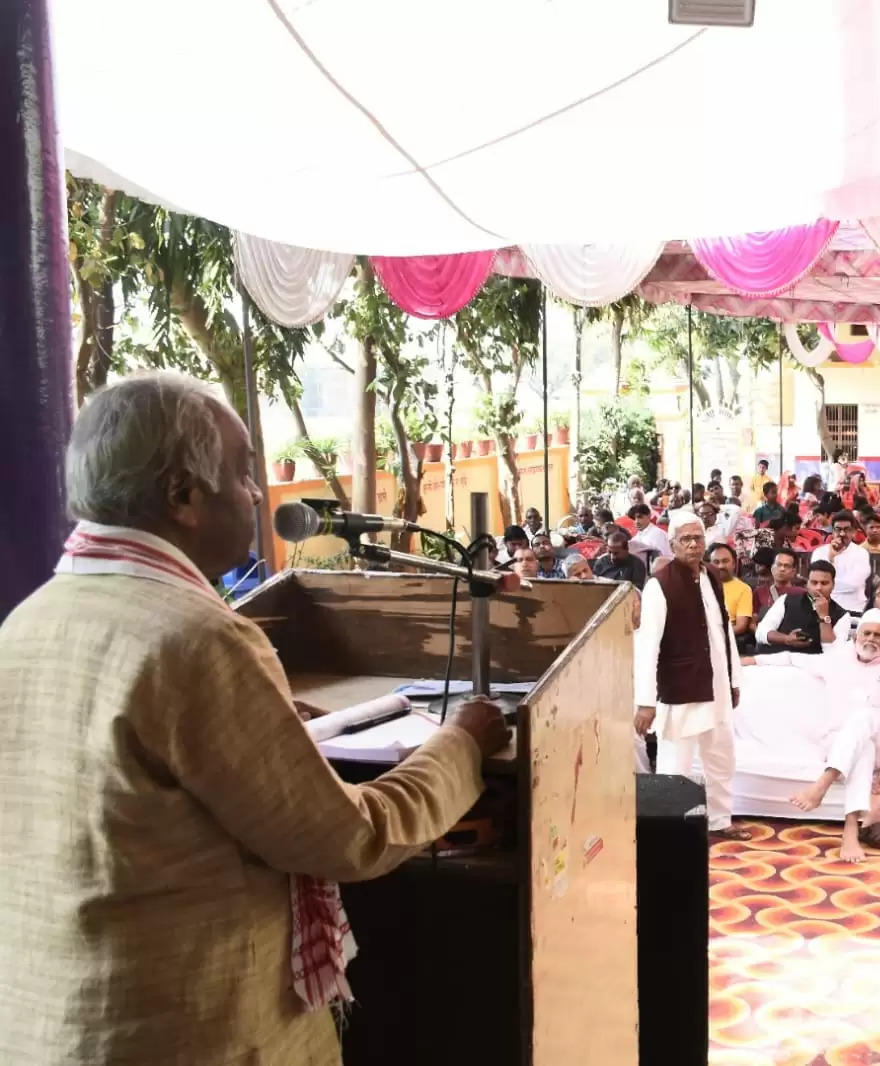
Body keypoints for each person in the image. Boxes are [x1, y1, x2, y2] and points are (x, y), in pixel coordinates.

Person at [0, 373, 511, 1063]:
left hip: (57, 1021)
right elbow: (347, 840)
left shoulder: (30, 620)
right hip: (188, 1029)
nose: (256, 496)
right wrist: (459, 744)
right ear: (183, 495)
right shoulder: (197, 639)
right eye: (243, 475)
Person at [761, 611, 880, 861]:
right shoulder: (837, 659)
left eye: (879, 635)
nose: (872, 639)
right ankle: (851, 831)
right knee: (862, 747)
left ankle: (822, 784)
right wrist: (749, 662)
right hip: (842, 743)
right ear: (856, 636)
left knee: (864, 716)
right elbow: (792, 659)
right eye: (867, 633)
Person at [634, 515, 750, 842]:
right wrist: (645, 702)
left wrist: (734, 679)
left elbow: (724, 631)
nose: (693, 544)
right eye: (685, 539)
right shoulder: (660, 584)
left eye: (697, 538)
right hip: (681, 686)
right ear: (671, 545)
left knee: (721, 757)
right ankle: (667, 832)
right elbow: (648, 646)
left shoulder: (712, 575)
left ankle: (719, 820)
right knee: (675, 763)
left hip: (716, 686)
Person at [755, 559, 851, 652]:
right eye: (814, 582)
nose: (819, 588)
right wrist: (786, 639)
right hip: (775, 660)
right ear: (807, 584)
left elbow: (833, 650)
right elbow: (761, 632)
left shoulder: (842, 616)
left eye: (824, 583)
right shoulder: (786, 600)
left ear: (833, 585)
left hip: (812, 664)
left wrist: (824, 616)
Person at [811, 512, 871, 613]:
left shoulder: (861, 553)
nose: (842, 534)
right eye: (838, 529)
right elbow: (816, 584)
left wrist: (827, 584)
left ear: (854, 532)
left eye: (847, 530)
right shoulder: (820, 552)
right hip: (823, 608)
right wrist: (831, 558)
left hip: (853, 608)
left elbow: (854, 584)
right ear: (832, 531)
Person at [705, 542, 755, 648]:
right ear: (709, 565)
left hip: (725, 638)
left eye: (725, 561)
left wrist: (716, 636)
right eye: (716, 562)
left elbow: (741, 626)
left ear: (734, 564)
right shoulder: (700, 585)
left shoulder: (743, 589)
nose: (721, 566)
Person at [754, 546, 806, 616]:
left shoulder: (802, 593)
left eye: (787, 566)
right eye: (779, 565)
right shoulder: (759, 592)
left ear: (793, 571)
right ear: (772, 568)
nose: (782, 569)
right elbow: (753, 621)